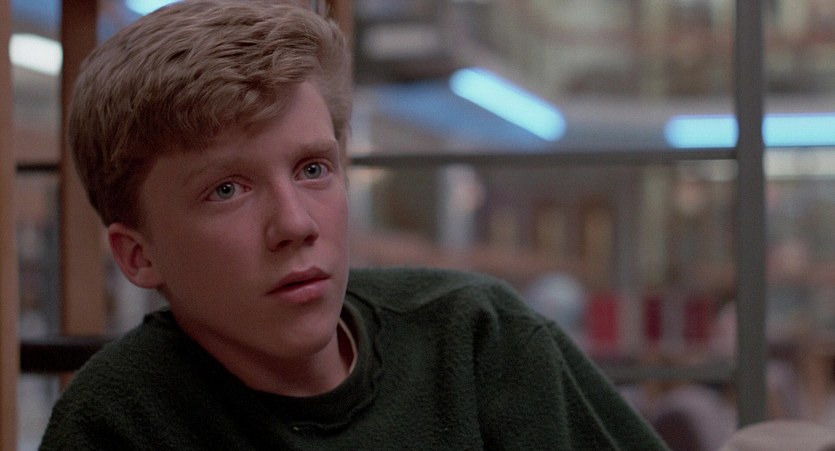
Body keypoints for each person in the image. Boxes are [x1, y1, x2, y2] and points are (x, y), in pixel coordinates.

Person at [40, 1, 669, 449]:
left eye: (313, 169)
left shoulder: (479, 338)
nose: (294, 224)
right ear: (138, 255)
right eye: (227, 189)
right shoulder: (116, 423)